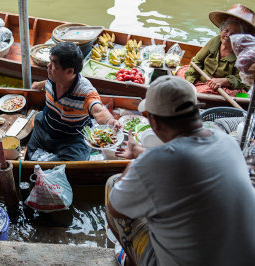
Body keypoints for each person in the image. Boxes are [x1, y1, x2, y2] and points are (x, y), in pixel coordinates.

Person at [105, 76, 255, 265]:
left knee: (114, 184)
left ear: (155, 122)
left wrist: (136, 162)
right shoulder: (225, 140)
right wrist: (138, 152)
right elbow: (184, 159)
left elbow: (116, 207)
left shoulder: (152, 162)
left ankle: (132, 259)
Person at [26, 42, 121, 161]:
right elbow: (46, 83)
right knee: (29, 156)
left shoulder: (85, 91)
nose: (48, 66)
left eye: (53, 64)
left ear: (70, 71)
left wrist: (110, 121)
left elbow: (99, 110)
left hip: (72, 139)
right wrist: (38, 85)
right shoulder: (53, 78)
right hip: (45, 127)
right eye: (49, 61)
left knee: (73, 164)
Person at [177, 4, 255, 96]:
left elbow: (242, 81)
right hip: (202, 79)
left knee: (205, 92)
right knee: (180, 74)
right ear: (221, 30)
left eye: (234, 34)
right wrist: (189, 82)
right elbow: (197, 61)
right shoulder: (215, 41)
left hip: (223, 87)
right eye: (226, 31)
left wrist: (224, 81)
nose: (228, 35)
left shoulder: (244, 53)